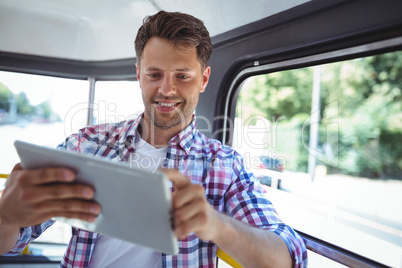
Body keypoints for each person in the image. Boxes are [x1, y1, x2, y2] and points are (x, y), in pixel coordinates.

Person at [0, 11, 308, 267]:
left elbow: (289, 259)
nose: (166, 90)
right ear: (138, 74)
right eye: (154, 74)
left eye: (182, 76)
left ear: (203, 80)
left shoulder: (223, 166)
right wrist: (6, 216)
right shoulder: (86, 145)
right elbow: (10, 242)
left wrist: (217, 225)